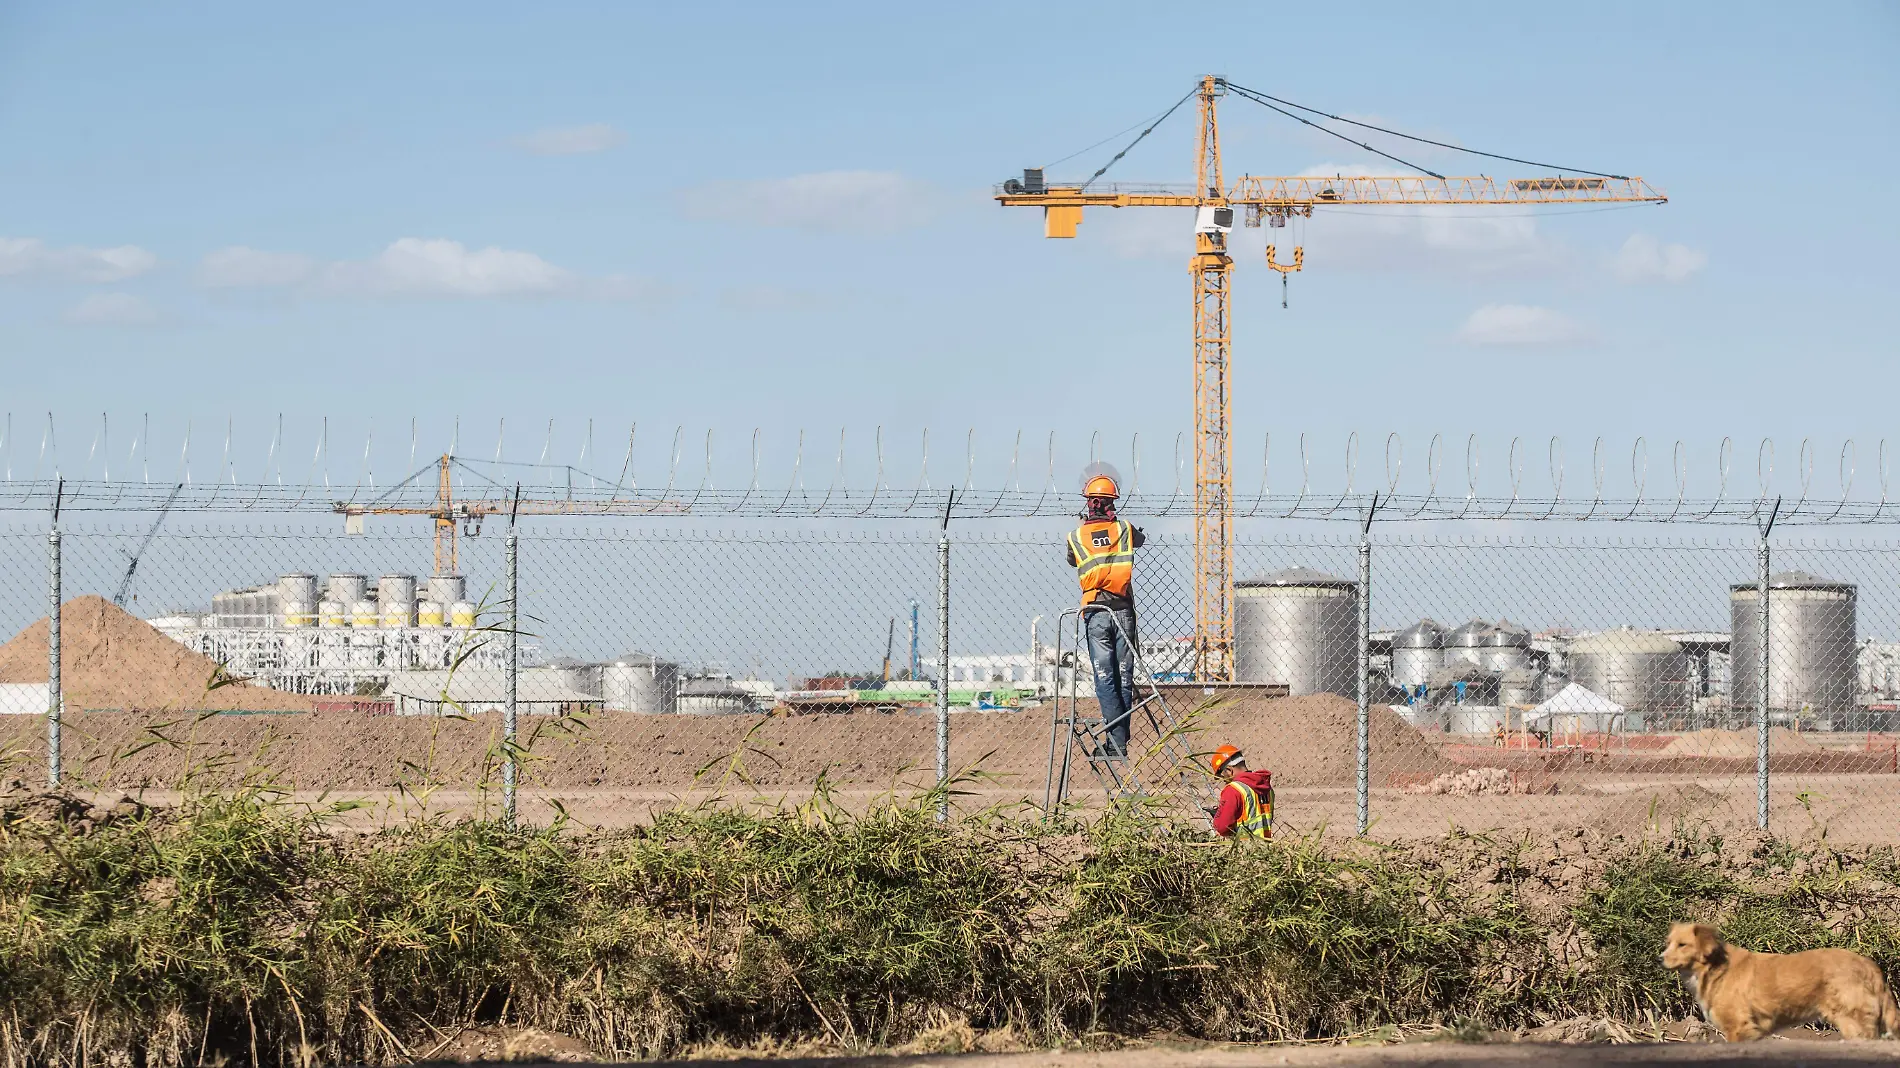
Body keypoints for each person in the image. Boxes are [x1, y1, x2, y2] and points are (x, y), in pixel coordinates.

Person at [1065, 463, 1145, 758]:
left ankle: (1116, 743)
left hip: (1096, 612)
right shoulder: (1124, 529)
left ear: (1088, 502)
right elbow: (1140, 540)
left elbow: (1073, 561)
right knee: (1124, 677)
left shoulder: (1075, 536)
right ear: (1113, 501)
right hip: (1123, 610)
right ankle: (1120, 742)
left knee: (1105, 679)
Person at [1210, 744, 1272, 839]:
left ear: (1229, 770)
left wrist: (1218, 816)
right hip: (1265, 847)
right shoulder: (1267, 788)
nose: (1224, 781)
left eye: (1223, 777)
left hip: (1243, 848)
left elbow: (1222, 827)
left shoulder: (1233, 790)